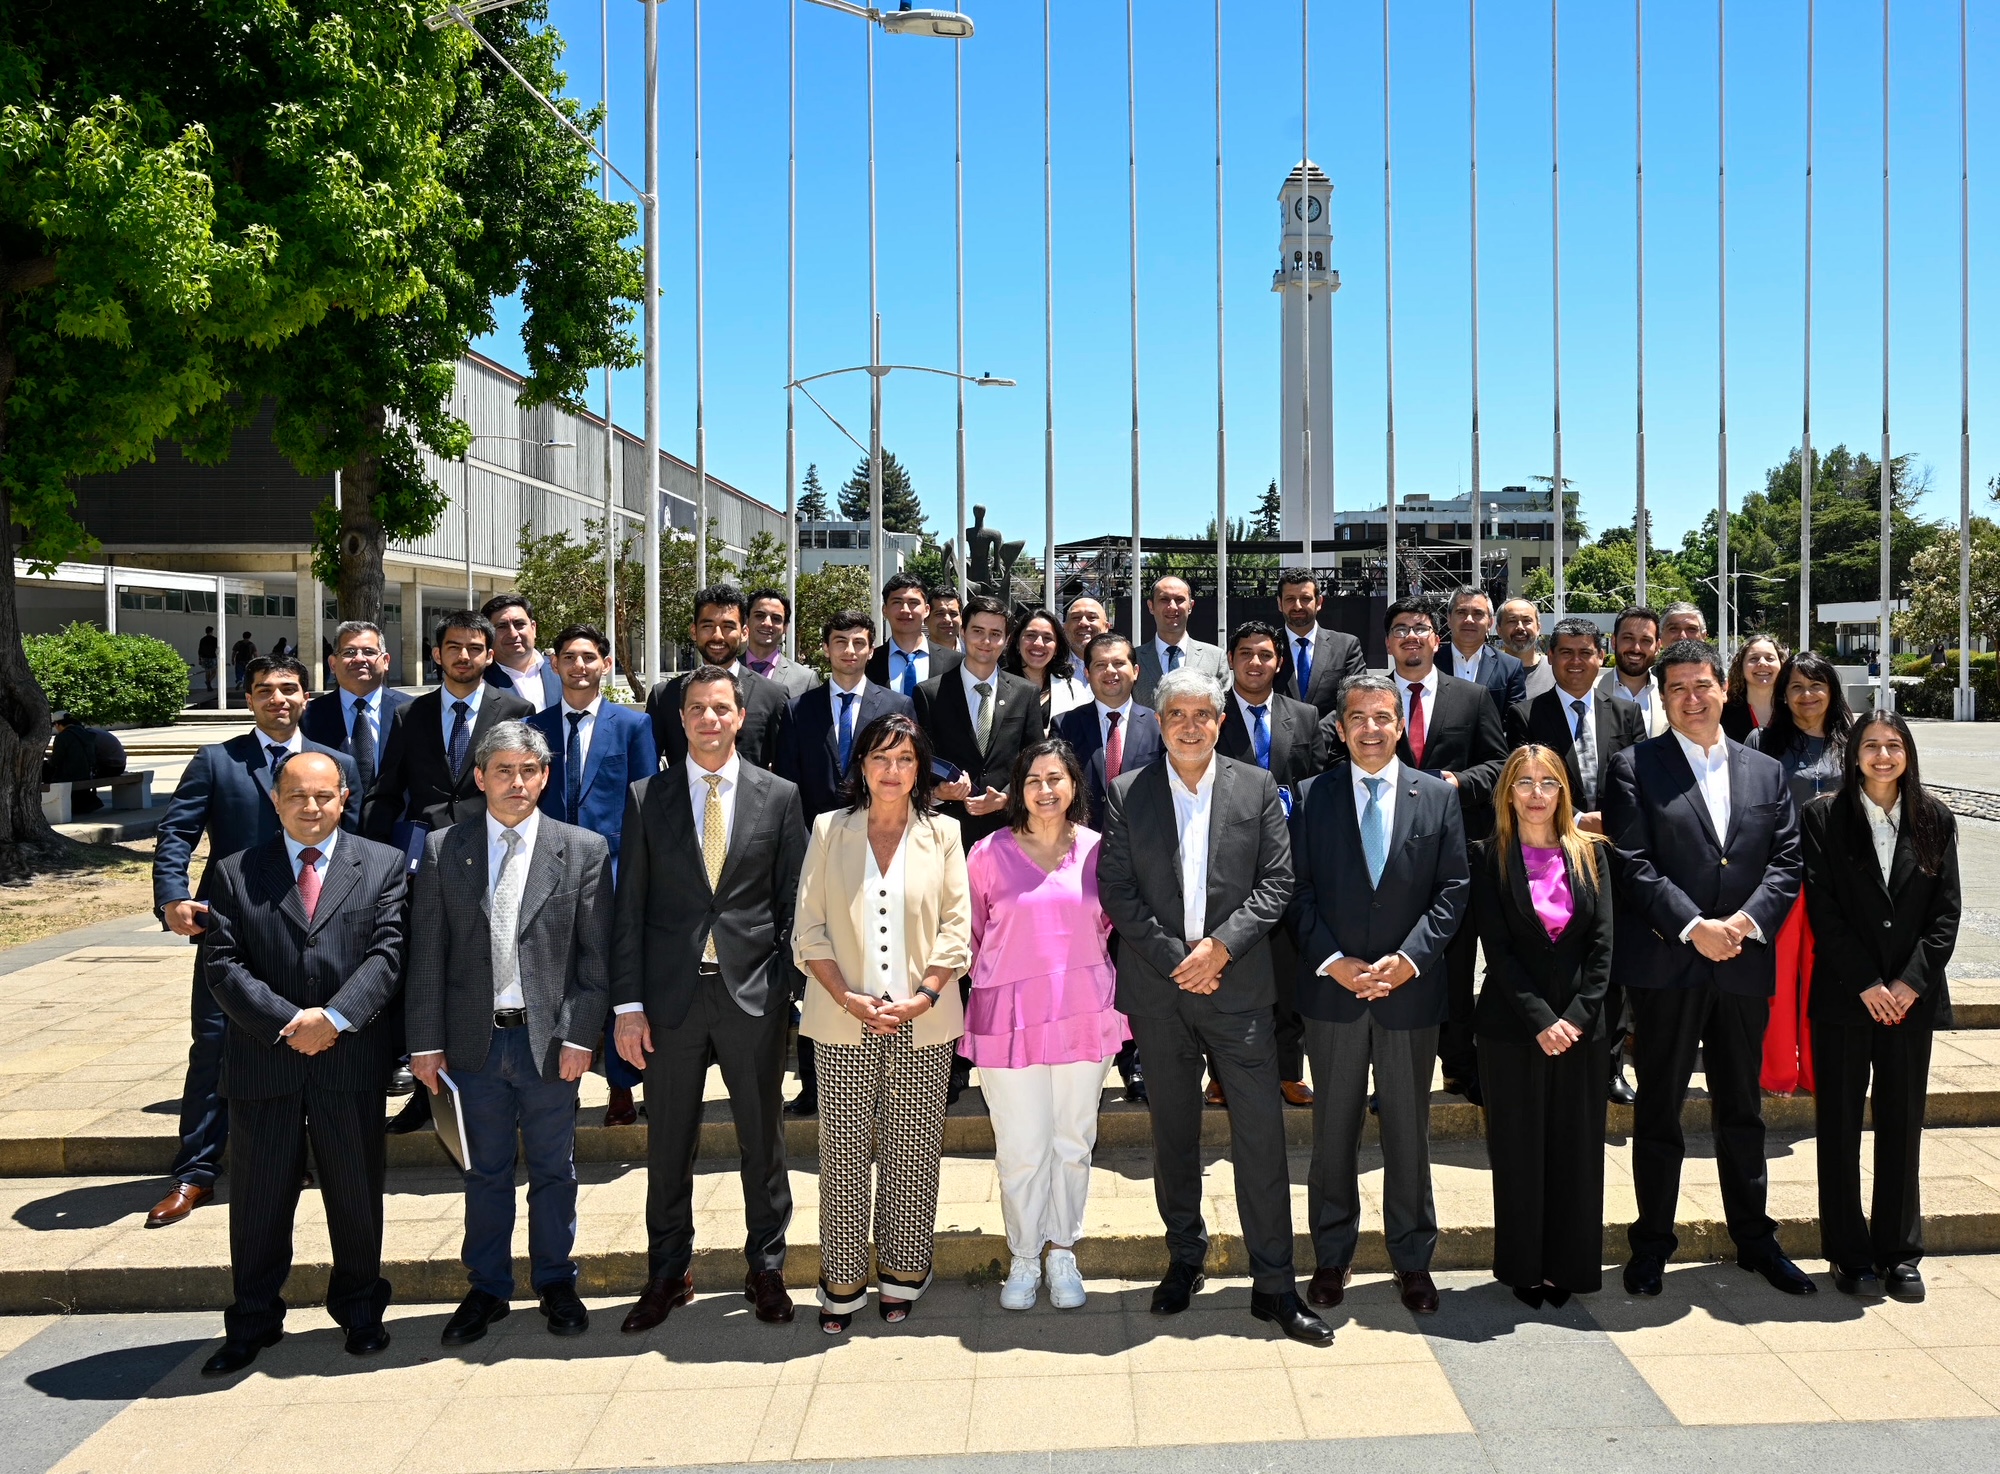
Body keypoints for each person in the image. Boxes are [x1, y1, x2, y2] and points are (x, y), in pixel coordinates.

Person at [1097, 668, 1332, 1345]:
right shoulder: (1126, 792)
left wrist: (1220, 949)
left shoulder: (1256, 786)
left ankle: (1275, 1284)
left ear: (1221, 721)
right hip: (1160, 991)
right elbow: (1116, 887)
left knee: (1261, 1137)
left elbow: (1277, 882)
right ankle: (1185, 1258)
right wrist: (1179, 958)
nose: (1191, 725)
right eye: (1178, 714)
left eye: (1204, 713)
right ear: (1159, 721)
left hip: (1240, 992)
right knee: (1175, 1134)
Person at [1603, 639, 1813, 1298]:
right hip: (1668, 964)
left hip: (1743, 964)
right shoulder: (1633, 766)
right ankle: (1651, 1244)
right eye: (1677, 689)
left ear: (1724, 688)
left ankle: (1755, 1238)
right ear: (1662, 698)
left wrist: (1742, 926)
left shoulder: (1765, 770)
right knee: (1659, 1109)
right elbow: (1632, 862)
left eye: (1702, 685)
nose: (1692, 699)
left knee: (1742, 1110)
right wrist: (1696, 928)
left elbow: (1786, 860)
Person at [611, 666, 808, 1332]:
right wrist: (628, 1006)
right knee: (668, 1145)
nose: (709, 719)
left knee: (763, 1141)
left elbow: (793, 900)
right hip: (670, 1001)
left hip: (752, 995)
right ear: (681, 718)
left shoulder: (779, 796)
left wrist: (786, 985)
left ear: (740, 716)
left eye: (721, 708)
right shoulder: (648, 797)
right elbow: (629, 908)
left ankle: (767, 1269)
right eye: (696, 708)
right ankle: (668, 1273)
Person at [197, 752, 408, 1376]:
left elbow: (389, 955)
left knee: (356, 1194)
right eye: (296, 796)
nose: (310, 807)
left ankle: (361, 1311)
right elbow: (222, 966)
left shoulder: (383, 864)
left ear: (344, 798)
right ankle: (253, 1320)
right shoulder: (235, 871)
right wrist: (292, 1024)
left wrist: (334, 1019)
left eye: (323, 796)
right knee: (258, 1201)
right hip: (265, 1060)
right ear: (275, 800)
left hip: (349, 1059)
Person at [407, 721, 614, 1344]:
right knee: (484, 1172)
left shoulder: (583, 849)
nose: (516, 782)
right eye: (503, 770)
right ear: (480, 777)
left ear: (544, 777)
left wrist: (581, 1037)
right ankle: (488, 1288)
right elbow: (427, 955)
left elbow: (595, 959)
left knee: (555, 1170)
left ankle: (556, 1281)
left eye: (528, 770)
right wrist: (425, 1044)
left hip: (548, 1044)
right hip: (471, 1045)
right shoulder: (444, 849)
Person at [150, 657, 362, 1230]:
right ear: (249, 700)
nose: (278, 699)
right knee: (215, 1045)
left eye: (289, 688)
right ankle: (195, 1171)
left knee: (310, 1043)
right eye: (264, 690)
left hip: (316, 930)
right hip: (233, 930)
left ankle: (293, 1159)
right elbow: (176, 832)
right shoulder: (217, 761)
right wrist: (172, 897)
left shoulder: (336, 764)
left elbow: (357, 847)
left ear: (307, 696)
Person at [1290, 674, 1470, 1316]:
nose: (1371, 728)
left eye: (1383, 717)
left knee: (1408, 1132)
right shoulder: (1309, 796)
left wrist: (1410, 961)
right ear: (1340, 729)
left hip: (1408, 994)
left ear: (1400, 726)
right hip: (1334, 994)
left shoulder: (1436, 797)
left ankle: (1413, 1259)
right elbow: (1295, 890)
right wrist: (1333, 962)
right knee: (1333, 1130)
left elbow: (1453, 890)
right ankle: (1331, 1256)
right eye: (1359, 717)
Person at [792, 713, 972, 1333]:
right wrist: (847, 997)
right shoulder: (829, 829)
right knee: (843, 1154)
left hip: (924, 1017)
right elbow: (809, 927)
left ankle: (903, 1271)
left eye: (905, 759)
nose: (891, 771)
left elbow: (957, 927)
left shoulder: (944, 832)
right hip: (843, 1017)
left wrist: (924, 995)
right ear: (861, 767)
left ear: (920, 769)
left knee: (912, 1153)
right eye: (879, 758)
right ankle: (841, 1279)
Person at [964, 739, 1130, 1311]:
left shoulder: (1099, 851)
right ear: (1018, 789)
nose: (1044, 789)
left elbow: (1110, 925)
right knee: (1021, 1146)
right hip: (1007, 1018)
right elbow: (972, 935)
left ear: (1074, 785)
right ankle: (1024, 1254)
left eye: (1055, 777)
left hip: (1084, 1010)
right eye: (1032, 779)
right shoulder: (987, 853)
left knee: (1073, 1140)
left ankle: (1062, 1251)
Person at [1802, 712, 1961, 1303]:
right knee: (1839, 1127)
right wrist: (1868, 983)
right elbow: (1822, 908)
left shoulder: (1935, 818)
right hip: (1847, 998)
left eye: (1894, 745)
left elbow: (1946, 913)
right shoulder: (1823, 816)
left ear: (1908, 753)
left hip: (1911, 1002)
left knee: (1902, 1125)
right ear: (1854, 756)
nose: (1883, 755)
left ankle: (1899, 1252)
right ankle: (1849, 1254)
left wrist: (1910, 983)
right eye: (1871, 745)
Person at [1343, 597, 1507, 1106]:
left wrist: (1455, 782)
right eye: (1400, 629)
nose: (1410, 636)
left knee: (1454, 965)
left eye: (1420, 628)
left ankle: (1458, 1067)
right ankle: (1385, 1079)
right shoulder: (1369, 699)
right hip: (1382, 855)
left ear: (1437, 639)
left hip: (1453, 853)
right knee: (1384, 962)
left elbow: (1499, 765)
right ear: (1387, 642)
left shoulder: (1472, 697)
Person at [1472, 745, 1614, 1309]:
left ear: (1563, 791)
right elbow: (1498, 950)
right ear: (1508, 793)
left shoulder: (1593, 853)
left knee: (1576, 1151)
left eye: (1548, 782)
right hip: (1512, 1028)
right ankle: (1523, 1267)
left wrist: (1574, 1018)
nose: (1537, 794)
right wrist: (1540, 1020)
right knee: (1518, 1151)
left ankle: (1568, 1266)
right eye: (1524, 782)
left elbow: (1603, 947)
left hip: (1582, 1029)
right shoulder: (1488, 857)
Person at [772, 611, 915, 1118]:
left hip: (883, 846)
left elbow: (906, 772)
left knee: (878, 954)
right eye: (840, 642)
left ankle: (890, 1084)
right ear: (826, 648)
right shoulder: (799, 708)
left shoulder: (896, 705)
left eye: (859, 642)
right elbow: (789, 786)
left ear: (872, 649)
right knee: (823, 961)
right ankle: (814, 1084)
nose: (850, 651)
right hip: (823, 850)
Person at [1505, 618, 1646, 1105]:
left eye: (1586, 652)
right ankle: (1552, 1042)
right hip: (1551, 853)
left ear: (1601, 656)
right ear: (1551, 656)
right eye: (1565, 652)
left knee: (1610, 960)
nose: (1576, 661)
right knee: (1561, 955)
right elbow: (1522, 784)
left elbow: (1637, 781)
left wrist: (1613, 821)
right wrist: (1577, 820)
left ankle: (1610, 1066)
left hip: (1614, 855)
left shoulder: (1626, 713)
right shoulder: (1526, 714)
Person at [527, 624, 659, 1126]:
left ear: (606, 664)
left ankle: (621, 1086)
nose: (578, 666)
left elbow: (645, 801)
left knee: (613, 974)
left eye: (588, 657)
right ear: (554, 664)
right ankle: (561, 1086)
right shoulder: (533, 727)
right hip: (550, 872)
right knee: (554, 977)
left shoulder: (633, 726)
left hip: (615, 871)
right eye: (569, 657)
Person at [1216, 619, 1326, 1107]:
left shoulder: (1305, 716)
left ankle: (1287, 1070)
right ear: (1231, 659)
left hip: (1291, 860)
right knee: (1227, 967)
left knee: (1288, 970)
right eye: (1245, 653)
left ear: (1279, 662)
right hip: (1228, 861)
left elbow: (1318, 783)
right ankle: (1222, 1073)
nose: (1255, 662)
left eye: (1265, 654)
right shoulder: (1212, 713)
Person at [1748, 650, 1854, 1098]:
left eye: (1816, 685)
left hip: (1838, 882)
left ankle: (1815, 1071)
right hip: (1780, 877)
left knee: (1822, 977)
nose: (1806, 695)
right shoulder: (1761, 742)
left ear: (1832, 691)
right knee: (1777, 979)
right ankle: (1775, 1072)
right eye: (1796, 687)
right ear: (1783, 695)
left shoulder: (1854, 741)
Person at [362, 611, 536, 843]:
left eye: (474, 648)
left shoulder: (517, 712)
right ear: (437, 654)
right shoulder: (409, 715)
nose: (463, 656)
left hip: (494, 843)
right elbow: (386, 791)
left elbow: (528, 786)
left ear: (489, 656)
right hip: (425, 846)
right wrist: (379, 849)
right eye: (454, 647)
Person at [916, 594, 1048, 851]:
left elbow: (1034, 759)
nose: (986, 641)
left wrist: (1007, 797)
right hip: (947, 830)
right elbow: (921, 761)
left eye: (995, 634)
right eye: (978, 631)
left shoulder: (1025, 693)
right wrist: (940, 791)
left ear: (1007, 640)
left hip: (1009, 830)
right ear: (963, 632)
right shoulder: (929, 693)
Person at [647, 585, 789, 768]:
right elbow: (648, 768)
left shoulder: (772, 696)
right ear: (694, 631)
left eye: (728, 626)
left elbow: (785, 770)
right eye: (708, 626)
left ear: (744, 633)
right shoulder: (664, 696)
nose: (717, 636)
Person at [1055, 633, 1164, 822]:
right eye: (1100, 665)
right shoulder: (1065, 725)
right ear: (1087, 673)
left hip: (1142, 833)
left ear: (1135, 671)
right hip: (1083, 833)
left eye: (1119, 663)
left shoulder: (1158, 725)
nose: (1110, 671)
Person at [301, 620, 414, 803]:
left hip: (398, 817)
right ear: (333, 663)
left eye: (369, 652)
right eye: (349, 652)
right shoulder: (309, 715)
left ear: (385, 661)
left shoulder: (413, 711)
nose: (359, 659)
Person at [1274, 568, 1367, 717]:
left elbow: (1357, 700)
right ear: (1280, 603)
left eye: (1305, 598)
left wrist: (1318, 731)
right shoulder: (1267, 647)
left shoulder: (1346, 647)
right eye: (1290, 599)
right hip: (1278, 732)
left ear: (1319, 602)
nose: (1297, 606)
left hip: (1330, 731)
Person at [1132, 575, 1227, 708]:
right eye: (1164, 600)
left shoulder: (1215, 658)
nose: (1172, 607)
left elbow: (1222, 708)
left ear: (1190, 606)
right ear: (1151, 606)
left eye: (1179, 600)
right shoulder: (1133, 658)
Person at [866, 571, 963, 694]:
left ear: (927, 610)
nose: (905, 610)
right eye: (897, 602)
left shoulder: (956, 662)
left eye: (913, 603)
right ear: (884, 610)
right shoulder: (868, 662)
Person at [1444, 587, 1528, 718]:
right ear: (1449, 619)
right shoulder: (1430, 663)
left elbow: (1515, 722)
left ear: (1490, 622)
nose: (1469, 619)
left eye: (1478, 613)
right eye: (1461, 612)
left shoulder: (1510, 668)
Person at [1005, 606, 1091, 722]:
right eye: (1031, 635)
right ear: (1017, 642)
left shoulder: (1075, 689)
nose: (1038, 643)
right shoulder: (997, 684)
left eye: (1047, 638)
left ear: (1056, 649)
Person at [1596, 607, 1671, 738]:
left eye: (1646, 640)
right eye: (1628, 638)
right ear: (1614, 642)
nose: (1636, 648)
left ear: (1658, 647)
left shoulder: (1671, 694)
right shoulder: (1589, 691)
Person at [480, 592, 563, 710]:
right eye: (502, 626)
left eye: (519, 624)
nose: (513, 634)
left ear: (533, 628)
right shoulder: (480, 681)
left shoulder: (562, 670)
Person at [742, 588, 818, 699]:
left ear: (785, 627)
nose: (767, 623)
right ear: (747, 620)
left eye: (776, 618)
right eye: (759, 616)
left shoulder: (806, 680)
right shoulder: (725, 671)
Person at [1498, 597, 1557, 699]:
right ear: (1499, 630)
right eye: (1512, 621)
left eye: (1527, 621)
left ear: (1538, 628)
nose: (1520, 627)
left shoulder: (1555, 671)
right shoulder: (1487, 670)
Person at [44, 710, 101, 814]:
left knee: (44, 770)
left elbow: (56, 760)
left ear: (57, 724)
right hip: (87, 773)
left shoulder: (62, 737)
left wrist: (49, 760)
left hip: (70, 775)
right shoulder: (85, 733)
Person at [925, 587, 964, 653]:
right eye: (940, 614)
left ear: (961, 618)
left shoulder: (974, 654)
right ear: (926, 618)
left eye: (953, 614)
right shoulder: (915, 656)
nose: (948, 620)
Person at [198, 626, 219, 695]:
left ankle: (208, 684)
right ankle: (208, 682)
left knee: (207, 671)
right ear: (211, 631)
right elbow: (217, 648)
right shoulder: (214, 639)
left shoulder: (203, 639)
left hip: (204, 657)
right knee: (214, 672)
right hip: (212, 656)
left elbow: (200, 649)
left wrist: (199, 658)